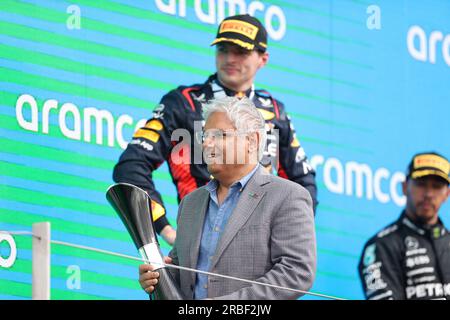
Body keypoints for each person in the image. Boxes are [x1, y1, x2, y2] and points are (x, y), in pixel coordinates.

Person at [113, 14, 317, 245]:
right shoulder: (183, 103)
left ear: (263, 58)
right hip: (204, 240)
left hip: (260, 247)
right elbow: (131, 166)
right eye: (222, 49)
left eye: (240, 51)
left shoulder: (275, 111)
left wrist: (286, 240)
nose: (229, 58)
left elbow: (303, 183)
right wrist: (165, 229)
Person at [139, 97, 316, 299]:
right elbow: (183, 275)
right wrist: (158, 277)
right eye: (204, 136)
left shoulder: (288, 196)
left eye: (218, 135)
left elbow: (296, 272)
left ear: (252, 141)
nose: (206, 143)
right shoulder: (191, 203)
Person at [358, 152, 450, 300]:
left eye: (436, 186)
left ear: (447, 193)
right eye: (421, 184)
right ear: (405, 187)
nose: (429, 193)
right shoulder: (379, 246)